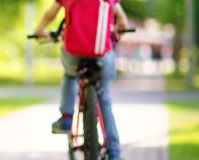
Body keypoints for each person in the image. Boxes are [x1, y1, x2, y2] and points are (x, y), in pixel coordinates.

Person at [33, 0, 129, 159]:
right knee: (104, 98)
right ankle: (114, 152)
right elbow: (122, 21)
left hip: (73, 53)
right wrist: (119, 28)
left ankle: (66, 117)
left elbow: (50, 14)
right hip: (102, 55)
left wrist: (39, 30)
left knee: (70, 74)